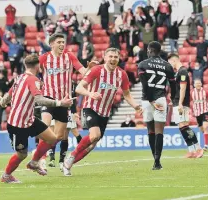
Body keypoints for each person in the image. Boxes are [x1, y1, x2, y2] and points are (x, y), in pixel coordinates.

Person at [63, 47, 142, 176]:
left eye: (115, 57)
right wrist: (90, 93)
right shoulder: (96, 70)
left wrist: (136, 106)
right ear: (105, 58)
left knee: (92, 145)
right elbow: (78, 88)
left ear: (119, 59)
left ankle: (68, 165)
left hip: (105, 113)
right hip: (90, 107)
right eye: (110, 56)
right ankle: (71, 156)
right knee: (94, 135)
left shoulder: (121, 74)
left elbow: (127, 95)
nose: (113, 59)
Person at [0, 54, 74, 183]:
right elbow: (39, 99)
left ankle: (34, 162)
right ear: (37, 66)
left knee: (52, 139)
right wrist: (60, 103)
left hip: (29, 119)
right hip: (18, 124)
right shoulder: (33, 80)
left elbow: (8, 95)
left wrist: (3, 102)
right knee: (22, 154)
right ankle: (6, 176)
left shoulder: (19, 78)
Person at [39, 33, 95, 171]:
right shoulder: (44, 58)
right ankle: (40, 159)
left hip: (64, 101)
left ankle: (45, 153)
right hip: (48, 98)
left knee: (59, 136)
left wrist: (90, 69)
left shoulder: (69, 56)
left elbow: (83, 72)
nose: (62, 44)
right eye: (59, 42)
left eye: (63, 42)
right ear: (51, 44)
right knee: (45, 127)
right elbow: (32, 72)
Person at [138, 41, 176, 170]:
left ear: (149, 50)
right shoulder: (167, 65)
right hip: (160, 99)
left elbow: (144, 85)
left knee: (150, 130)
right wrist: (172, 98)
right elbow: (173, 85)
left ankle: (154, 159)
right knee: (160, 131)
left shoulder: (142, 64)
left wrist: (149, 100)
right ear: (159, 51)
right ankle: (157, 162)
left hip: (146, 100)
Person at [168, 53, 204, 158]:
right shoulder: (178, 72)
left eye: (170, 62)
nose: (170, 65)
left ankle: (198, 148)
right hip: (177, 102)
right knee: (182, 127)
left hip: (181, 103)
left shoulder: (183, 71)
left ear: (174, 60)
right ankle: (191, 151)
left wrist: (179, 103)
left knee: (184, 126)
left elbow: (183, 88)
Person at [192, 79, 208, 151]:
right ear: (194, 85)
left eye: (199, 83)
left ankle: (205, 145)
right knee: (201, 129)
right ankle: (206, 136)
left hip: (205, 111)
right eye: (196, 83)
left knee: (205, 127)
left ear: (201, 84)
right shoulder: (192, 92)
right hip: (197, 113)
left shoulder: (206, 91)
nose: (198, 84)